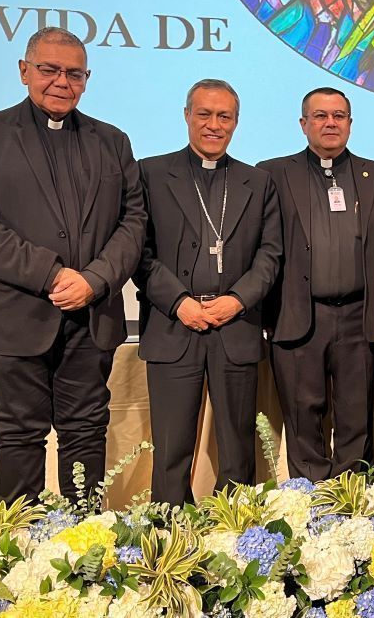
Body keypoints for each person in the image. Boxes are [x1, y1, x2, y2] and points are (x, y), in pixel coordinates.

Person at [0, 26, 146, 504]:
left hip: (89, 318)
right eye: (49, 70)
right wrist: (53, 274)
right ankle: (23, 558)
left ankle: (84, 554)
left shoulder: (112, 141)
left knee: (85, 434)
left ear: (86, 79)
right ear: (24, 71)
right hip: (15, 319)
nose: (61, 81)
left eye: (74, 73)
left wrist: (94, 280)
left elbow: (133, 220)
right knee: (18, 437)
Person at [134, 79, 282, 505]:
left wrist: (236, 300)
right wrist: (179, 303)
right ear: (186, 115)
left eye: (224, 116)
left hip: (235, 327)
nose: (214, 125)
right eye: (204, 114)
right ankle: (169, 539)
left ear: (236, 122)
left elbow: (270, 254)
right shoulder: (151, 173)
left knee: (237, 449)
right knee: (172, 449)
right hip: (172, 325)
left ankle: (232, 537)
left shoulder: (258, 181)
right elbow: (137, 251)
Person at [259, 87, 374, 481]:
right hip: (298, 316)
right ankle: (311, 499)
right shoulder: (271, 173)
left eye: (339, 115)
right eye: (320, 116)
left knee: (356, 414)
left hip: (359, 316)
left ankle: (352, 495)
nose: (330, 123)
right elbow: (261, 249)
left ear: (350, 124)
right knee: (304, 414)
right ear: (304, 124)